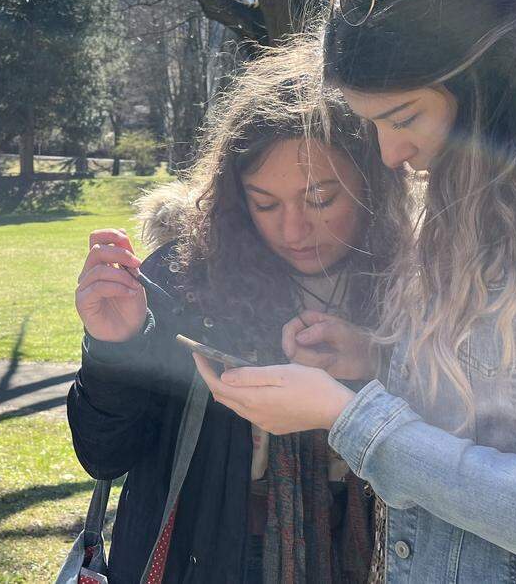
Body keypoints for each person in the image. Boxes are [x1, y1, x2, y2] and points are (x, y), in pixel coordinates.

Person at [191, 0, 516, 582]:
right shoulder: (486, 189)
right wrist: (378, 357)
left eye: (403, 119)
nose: (389, 155)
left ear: (494, 81)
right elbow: (507, 410)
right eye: (373, 125)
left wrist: (350, 417)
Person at [69, 44, 409, 583]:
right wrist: (116, 348)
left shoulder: (425, 278)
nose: (293, 231)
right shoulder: (185, 277)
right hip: (212, 561)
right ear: (233, 194)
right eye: (264, 203)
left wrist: (378, 359)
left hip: (381, 555)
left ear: (374, 182)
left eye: (320, 199)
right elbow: (104, 456)